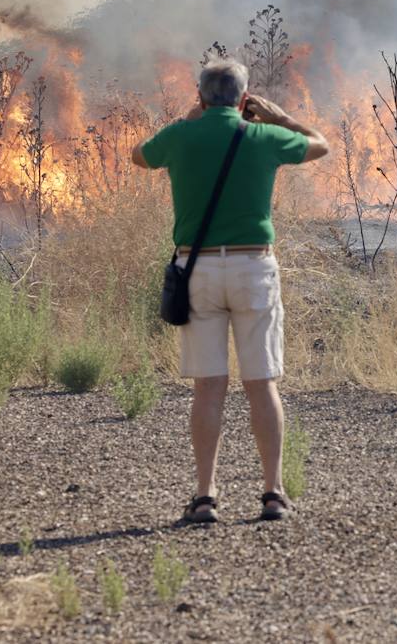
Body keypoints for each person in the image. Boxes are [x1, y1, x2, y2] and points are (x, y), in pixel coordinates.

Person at [132, 59, 328, 523]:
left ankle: (205, 497)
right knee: (262, 385)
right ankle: (273, 495)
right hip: (253, 267)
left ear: (200, 97)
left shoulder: (182, 136)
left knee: (208, 387)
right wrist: (279, 117)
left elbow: (139, 155)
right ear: (244, 101)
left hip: (195, 269)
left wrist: (186, 121)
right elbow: (321, 146)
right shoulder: (262, 137)